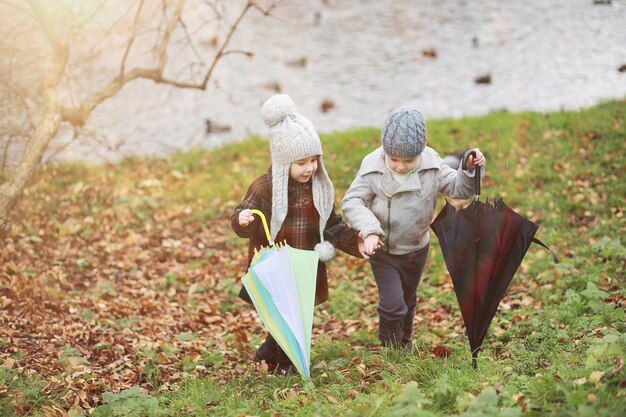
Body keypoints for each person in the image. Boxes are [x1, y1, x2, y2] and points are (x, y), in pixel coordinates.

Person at [231, 94, 367, 376]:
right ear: (284, 162)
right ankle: (288, 363)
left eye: (314, 160)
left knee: (299, 314)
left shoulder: (318, 188)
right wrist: (243, 220)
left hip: (306, 264)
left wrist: (356, 241)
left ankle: (270, 350)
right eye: (301, 162)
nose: (310, 168)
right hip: (277, 264)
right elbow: (246, 214)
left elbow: (332, 225)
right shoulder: (265, 187)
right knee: (282, 313)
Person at [341, 106, 486, 350]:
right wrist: (370, 229)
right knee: (393, 304)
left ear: (420, 153)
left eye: (408, 160)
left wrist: (469, 170)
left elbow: (458, 189)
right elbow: (352, 201)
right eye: (394, 159)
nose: (399, 165)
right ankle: (389, 343)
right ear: (385, 151)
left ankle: (403, 340)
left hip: (416, 249)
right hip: (383, 249)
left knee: (408, 300)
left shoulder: (431, 165)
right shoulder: (372, 167)